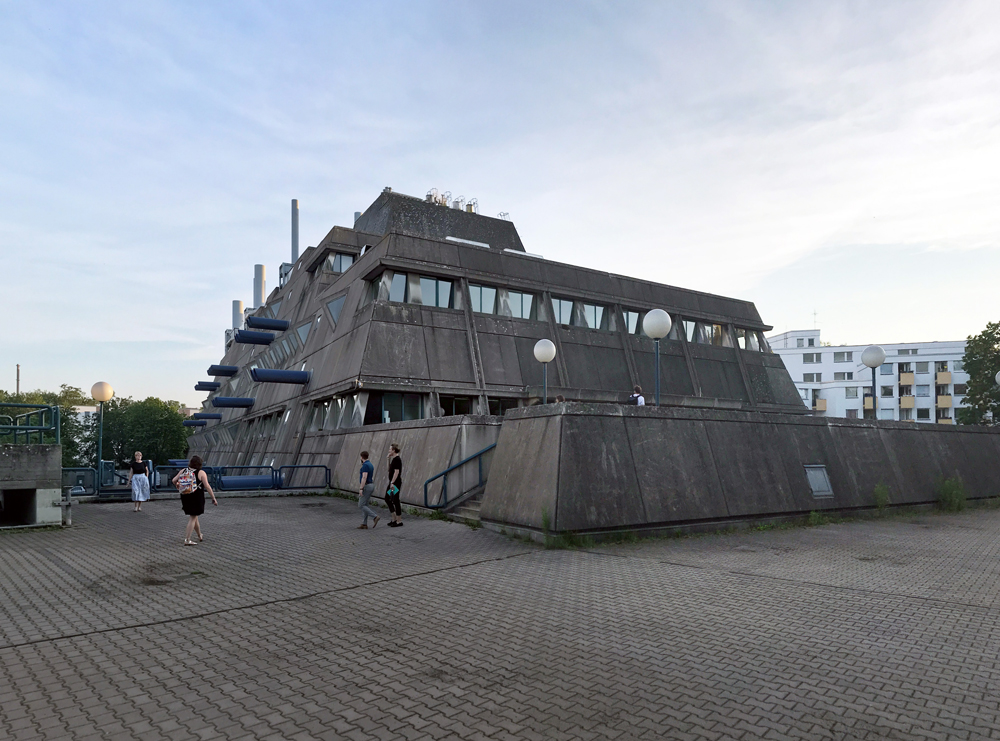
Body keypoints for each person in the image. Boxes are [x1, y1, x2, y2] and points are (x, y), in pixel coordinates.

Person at [171, 455, 217, 546]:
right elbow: (207, 486)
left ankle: (200, 534)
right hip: (197, 496)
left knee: (194, 516)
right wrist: (213, 498)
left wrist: (177, 485)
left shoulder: (183, 470)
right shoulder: (201, 472)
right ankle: (187, 539)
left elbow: (174, 480)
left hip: (185, 495)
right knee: (193, 518)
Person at [357, 450, 379, 529]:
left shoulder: (365, 465)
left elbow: (364, 477)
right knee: (365, 504)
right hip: (371, 485)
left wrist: (361, 488)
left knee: (361, 505)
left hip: (366, 486)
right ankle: (364, 524)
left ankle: (375, 516)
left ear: (361, 457)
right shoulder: (370, 464)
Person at [385, 443, 403, 527]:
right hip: (392, 483)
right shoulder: (393, 459)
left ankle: (398, 521)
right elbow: (389, 469)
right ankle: (394, 518)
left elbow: (397, 472)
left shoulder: (397, 460)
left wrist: (392, 482)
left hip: (395, 483)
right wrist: (388, 459)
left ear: (393, 450)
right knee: (387, 498)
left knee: (395, 500)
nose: (389, 451)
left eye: (390, 449)